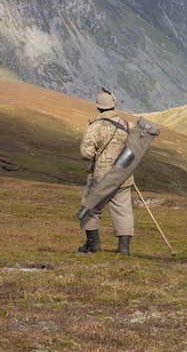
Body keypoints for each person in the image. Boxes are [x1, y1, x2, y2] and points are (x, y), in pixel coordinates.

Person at [77, 90, 135, 256]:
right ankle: (124, 249)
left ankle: (92, 246)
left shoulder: (94, 127)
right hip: (123, 175)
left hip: (100, 178)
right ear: (114, 105)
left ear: (98, 107)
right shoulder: (127, 125)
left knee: (90, 207)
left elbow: (86, 154)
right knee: (123, 210)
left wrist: (97, 155)